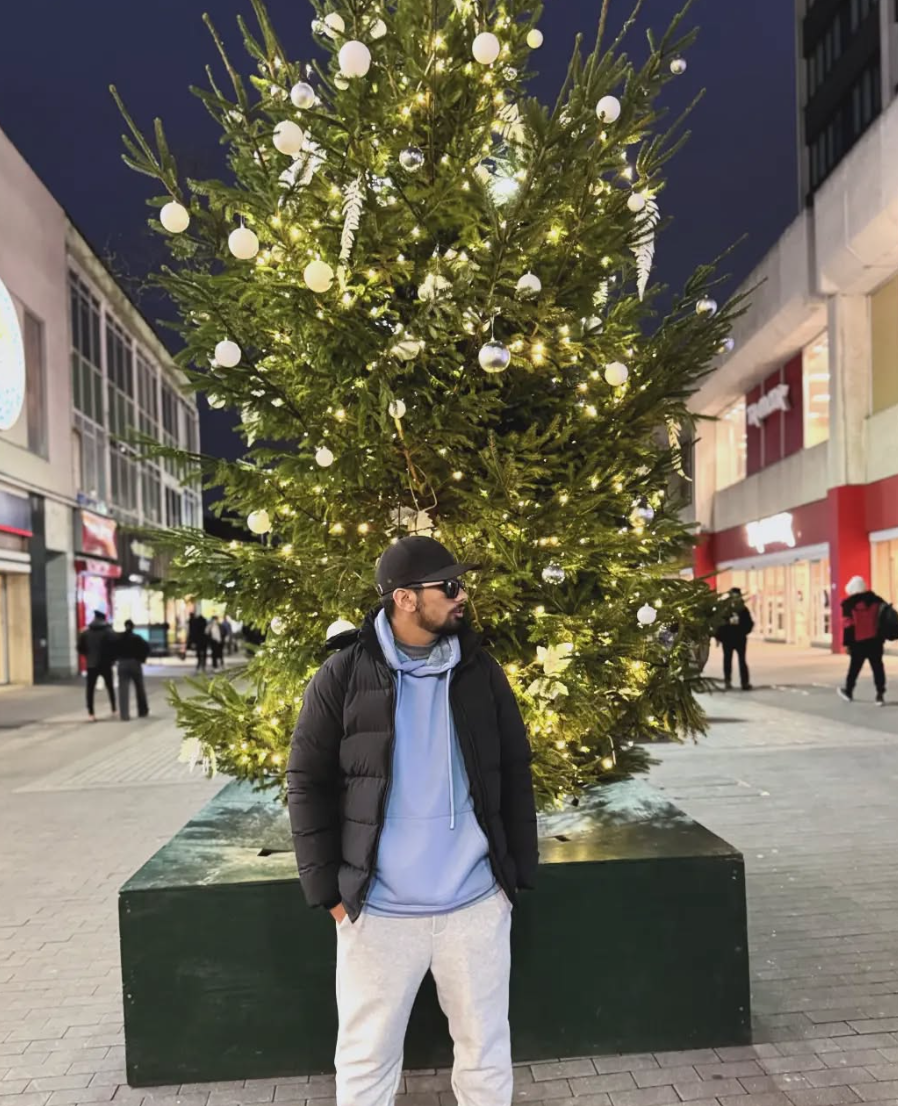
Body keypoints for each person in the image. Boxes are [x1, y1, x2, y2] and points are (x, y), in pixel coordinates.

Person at [287, 535, 539, 1106]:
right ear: (404, 598)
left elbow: (514, 768)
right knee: (366, 1061)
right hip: (378, 913)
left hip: (475, 905)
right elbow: (306, 781)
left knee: (486, 1053)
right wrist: (329, 894)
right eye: (449, 586)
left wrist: (514, 877)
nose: (462, 595)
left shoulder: (480, 672)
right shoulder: (342, 676)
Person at [838, 576, 886, 705]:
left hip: (858, 642)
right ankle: (880, 695)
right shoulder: (876, 600)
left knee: (854, 668)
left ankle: (848, 691)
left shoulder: (849, 604)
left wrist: (847, 644)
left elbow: (848, 625)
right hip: (875, 641)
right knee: (878, 668)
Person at [77, 610, 118, 721]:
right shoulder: (109, 632)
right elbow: (115, 646)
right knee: (110, 687)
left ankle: (91, 713)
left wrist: (88, 655)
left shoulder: (86, 632)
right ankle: (114, 709)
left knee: (90, 689)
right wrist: (112, 659)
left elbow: (80, 648)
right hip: (106, 664)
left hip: (91, 664)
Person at [714, 587, 754, 691]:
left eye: (737, 596)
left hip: (740, 639)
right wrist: (719, 637)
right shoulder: (725, 610)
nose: (735, 599)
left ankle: (744, 682)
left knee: (742, 660)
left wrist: (743, 631)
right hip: (728, 639)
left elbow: (749, 624)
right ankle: (727, 681)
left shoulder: (743, 610)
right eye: (733, 597)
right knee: (727, 660)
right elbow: (719, 624)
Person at [117, 620, 150, 721]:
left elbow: (112, 648)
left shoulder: (119, 638)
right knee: (139, 687)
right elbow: (147, 647)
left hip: (122, 663)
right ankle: (142, 711)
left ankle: (124, 714)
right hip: (135, 663)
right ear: (133, 627)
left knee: (123, 690)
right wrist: (142, 659)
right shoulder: (137, 638)